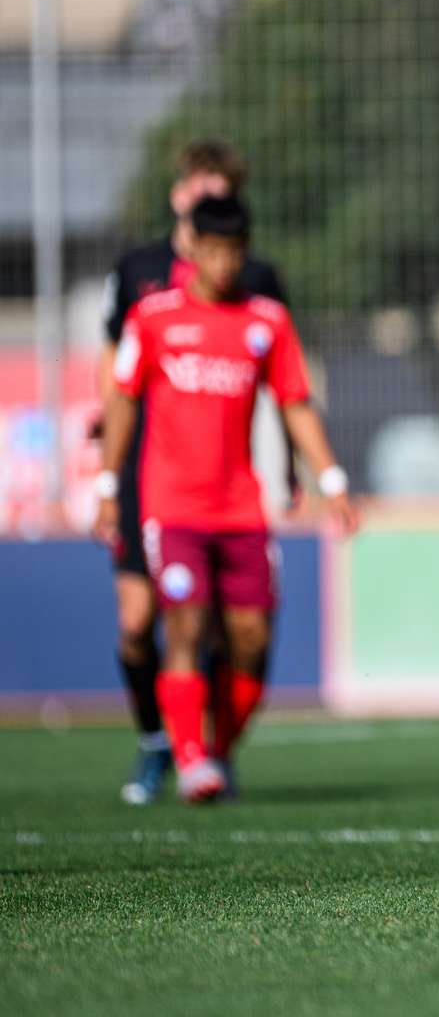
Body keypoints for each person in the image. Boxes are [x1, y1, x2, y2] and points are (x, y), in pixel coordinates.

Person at [94, 195, 358, 804]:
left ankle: (215, 751)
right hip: (173, 508)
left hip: (240, 508)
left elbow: (294, 402)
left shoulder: (265, 322)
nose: (222, 262)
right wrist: (109, 485)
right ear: (192, 249)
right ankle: (189, 761)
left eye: (233, 251)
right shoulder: (153, 318)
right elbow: (123, 401)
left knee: (253, 640)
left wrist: (332, 479)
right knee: (183, 623)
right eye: (212, 249)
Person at [98, 139, 288, 805]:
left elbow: (282, 383)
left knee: (215, 626)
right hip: (149, 472)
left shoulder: (256, 282)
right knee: (137, 618)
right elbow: (114, 366)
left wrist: (293, 470)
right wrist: (106, 460)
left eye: (217, 185)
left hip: (226, 487)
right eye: (195, 182)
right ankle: (159, 744)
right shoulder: (138, 270)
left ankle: (198, 749)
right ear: (179, 191)